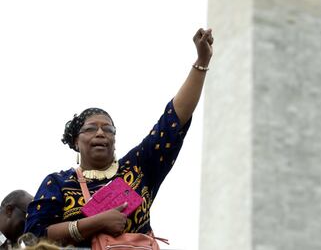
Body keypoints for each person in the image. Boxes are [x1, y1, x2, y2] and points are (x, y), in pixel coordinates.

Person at [24, 28, 214, 247]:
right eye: (91, 129)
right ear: (76, 141)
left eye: (108, 129)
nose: (100, 133)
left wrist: (202, 61)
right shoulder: (58, 183)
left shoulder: (137, 167)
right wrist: (95, 223)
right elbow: (35, 236)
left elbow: (174, 118)